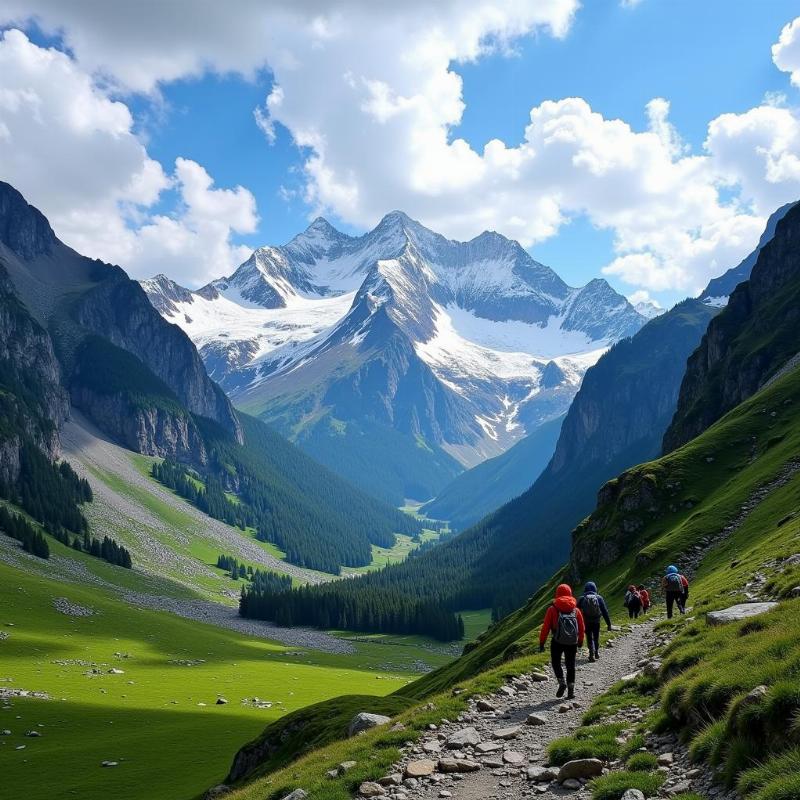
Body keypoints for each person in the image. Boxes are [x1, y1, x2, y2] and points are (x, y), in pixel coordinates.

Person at [539, 584, 585, 699]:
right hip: (572, 642)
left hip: (557, 641)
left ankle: (561, 682)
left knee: (556, 662)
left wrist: (542, 643)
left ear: (557, 593)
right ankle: (571, 691)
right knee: (571, 665)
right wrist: (580, 641)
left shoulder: (552, 609)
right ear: (570, 593)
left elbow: (545, 627)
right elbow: (582, 627)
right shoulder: (576, 610)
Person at [577, 581, 612, 662]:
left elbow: (575, 611)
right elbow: (604, 612)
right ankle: (596, 652)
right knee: (596, 637)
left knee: (589, 637)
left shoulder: (582, 598)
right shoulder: (599, 598)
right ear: (595, 588)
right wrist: (609, 624)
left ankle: (591, 654)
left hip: (586, 622)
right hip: (596, 621)